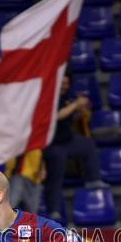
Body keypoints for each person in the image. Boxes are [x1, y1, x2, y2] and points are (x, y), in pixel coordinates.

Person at [43, 71, 103, 222]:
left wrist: (81, 109)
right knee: (55, 178)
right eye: (62, 84)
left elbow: (74, 117)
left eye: (66, 84)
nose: (64, 86)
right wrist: (76, 105)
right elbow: (56, 116)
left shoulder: (68, 98)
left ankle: (93, 180)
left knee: (88, 145)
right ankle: (54, 210)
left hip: (69, 141)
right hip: (52, 145)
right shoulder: (47, 98)